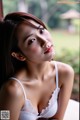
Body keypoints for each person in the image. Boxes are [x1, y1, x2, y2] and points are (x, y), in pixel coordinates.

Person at [0, 12, 74, 120]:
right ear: (19, 55)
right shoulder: (12, 90)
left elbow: (58, 118)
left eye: (41, 30)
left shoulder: (65, 73)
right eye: (31, 40)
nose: (44, 41)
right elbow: (3, 118)